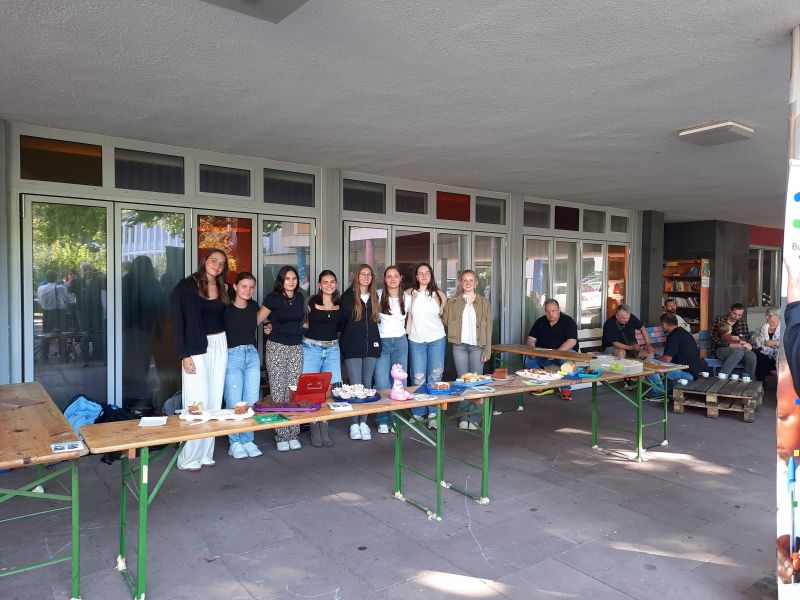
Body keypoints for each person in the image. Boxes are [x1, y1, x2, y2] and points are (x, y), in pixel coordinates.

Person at [170, 248, 230, 471]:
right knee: (197, 400)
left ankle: (205, 453)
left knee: (214, 400)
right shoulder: (186, 286)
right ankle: (188, 457)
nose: (217, 265)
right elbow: (177, 323)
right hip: (196, 347)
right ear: (204, 261)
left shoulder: (224, 287)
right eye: (214, 260)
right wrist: (183, 354)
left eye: (222, 263)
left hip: (219, 344)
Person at [223, 272, 269, 459]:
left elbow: (261, 320)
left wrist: (268, 324)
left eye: (251, 287)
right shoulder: (226, 310)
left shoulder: (253, 306)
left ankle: (248, 440)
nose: (248, 290)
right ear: (235, 287)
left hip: (251, 355)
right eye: (244, 286)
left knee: (250, 399)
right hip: (232, 355)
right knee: (234, 401)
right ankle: (234, 443)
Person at [262, 266, 306, 451]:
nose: (291, 281)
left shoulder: (300, 297)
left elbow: (302, 321)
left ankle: (293, 433)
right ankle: (281, 435)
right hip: (276, 347)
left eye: (294, 278)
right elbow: (259, 318)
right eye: (287, 278)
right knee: (278, 391)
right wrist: (267, 323)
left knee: (293, 391)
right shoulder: (272, 298)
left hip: (296, 347)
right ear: (281, 280)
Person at [443, 270, 493, 428]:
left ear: (476, 282)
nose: (468, 283)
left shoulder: (484, 302)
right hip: (459, 346)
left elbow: (489, 327)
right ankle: (464, 416)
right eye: (465, 280)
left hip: (477, 346)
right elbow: (445, 319)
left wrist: (487, 350)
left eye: (471, 280)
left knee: (476, 382)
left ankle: (475, 417)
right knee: (462, 382)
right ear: (461, 282)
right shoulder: (454, 301)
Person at [339, 264, 381, 441]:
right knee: (355, 386)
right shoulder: (347, 297)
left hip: (371, 346)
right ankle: (353, 423)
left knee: (367, 385)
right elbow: (341, 323)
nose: (366, 277)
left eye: (369, 274)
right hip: (352, 347)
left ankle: (363, 423)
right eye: (363, 274)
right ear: (356, 276)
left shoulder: (374, 296)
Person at [302, 270, 342, 447]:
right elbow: (299, 321)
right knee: (312, 390)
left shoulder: (340, 303)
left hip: (332, 349)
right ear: (319, 285)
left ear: (336, 284)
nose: (329, 285)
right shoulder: (310, 301)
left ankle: (324, 427)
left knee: (328, 391)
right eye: (325, 282)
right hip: (311, 348)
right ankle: (314, 428)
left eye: (332, 282)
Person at [406, 262, 447, 429]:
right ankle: (418, 411)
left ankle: (433, 414)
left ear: (431, 276)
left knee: (435, 377)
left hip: (437, 339)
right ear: (416, 276)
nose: (424, 276)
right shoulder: (409, 293)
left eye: (427, 273)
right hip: (416, 340)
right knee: (418, 377)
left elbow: (444, 315)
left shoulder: (439, 295)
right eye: (420, 273)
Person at [121, 256, 164, 407]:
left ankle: (128, 386)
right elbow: (159, 307)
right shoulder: (154, 284)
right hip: (147, 327)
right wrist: (159, 328)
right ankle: (140, 387)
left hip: (128, 326)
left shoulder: (124, 282)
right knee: (144, 358)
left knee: (129, 356)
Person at [374, 266, 411, 434]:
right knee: (382, 382)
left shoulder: (408, 298)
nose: (392, 279)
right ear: (384, 279)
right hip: (382, 341)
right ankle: (382, 419)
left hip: (401, 342)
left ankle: (396, 419)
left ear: (401, 278)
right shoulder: (378, 295)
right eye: (389, 276)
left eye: (396, 276)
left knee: (399, 383)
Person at [525, 298, 578, 400]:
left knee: (564, 360)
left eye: (553, 311)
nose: (550, 314)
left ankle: (565, 389)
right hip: (544, 352)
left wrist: (556, 353)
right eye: (547, 311)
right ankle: (542, 385)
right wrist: (532, 350)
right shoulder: (540, 321)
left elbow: (572, 341)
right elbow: (531, 339)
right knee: (529, 359)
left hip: (564, 352)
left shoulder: (568, 321)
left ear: (559, 310)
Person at [645, 313, 703, 396]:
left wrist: (654, 359)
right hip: (693, 373)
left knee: (648, 362)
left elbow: (666, 359)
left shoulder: (673, 336)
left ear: (664, 325)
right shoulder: (685, 333)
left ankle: (658, 393)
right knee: (655, 361)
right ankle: (668, 389)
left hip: (686, 374)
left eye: (661, 325)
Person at [710, 303, 756, 376]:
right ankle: (723, 376)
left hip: (740, 349)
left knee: (751, 355)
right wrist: (730, 344)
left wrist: (744, 342)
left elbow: (746, 339)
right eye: (734, 313)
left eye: (739, 315)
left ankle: (748, 378)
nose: (736, 317)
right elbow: (713, 338)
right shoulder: (720, 320)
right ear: (730, 310)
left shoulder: (742, 324)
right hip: (722, 349)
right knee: (738, 352)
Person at [37, 270, 69, 361]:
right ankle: (63, 355)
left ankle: (44, 355)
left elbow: (40, 301)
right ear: (56, 278)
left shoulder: (41, 288)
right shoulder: (60, 288)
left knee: (46, 334)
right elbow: (66, 299)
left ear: (46, 278)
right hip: (59, 313)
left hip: (46, 312)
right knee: (61, 334)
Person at [751, 306, 781, 382]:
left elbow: (788, 341)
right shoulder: (763, 327)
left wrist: (776, 342)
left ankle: (771, 371)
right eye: (766, 315)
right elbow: (755, 341)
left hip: (779, 354)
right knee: (760, 358)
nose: (767, 317)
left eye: (769, 315)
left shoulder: (784, 327)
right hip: (765, 353)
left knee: (779, 360)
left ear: (778, 316)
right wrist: (759, 340)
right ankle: (760, 384)